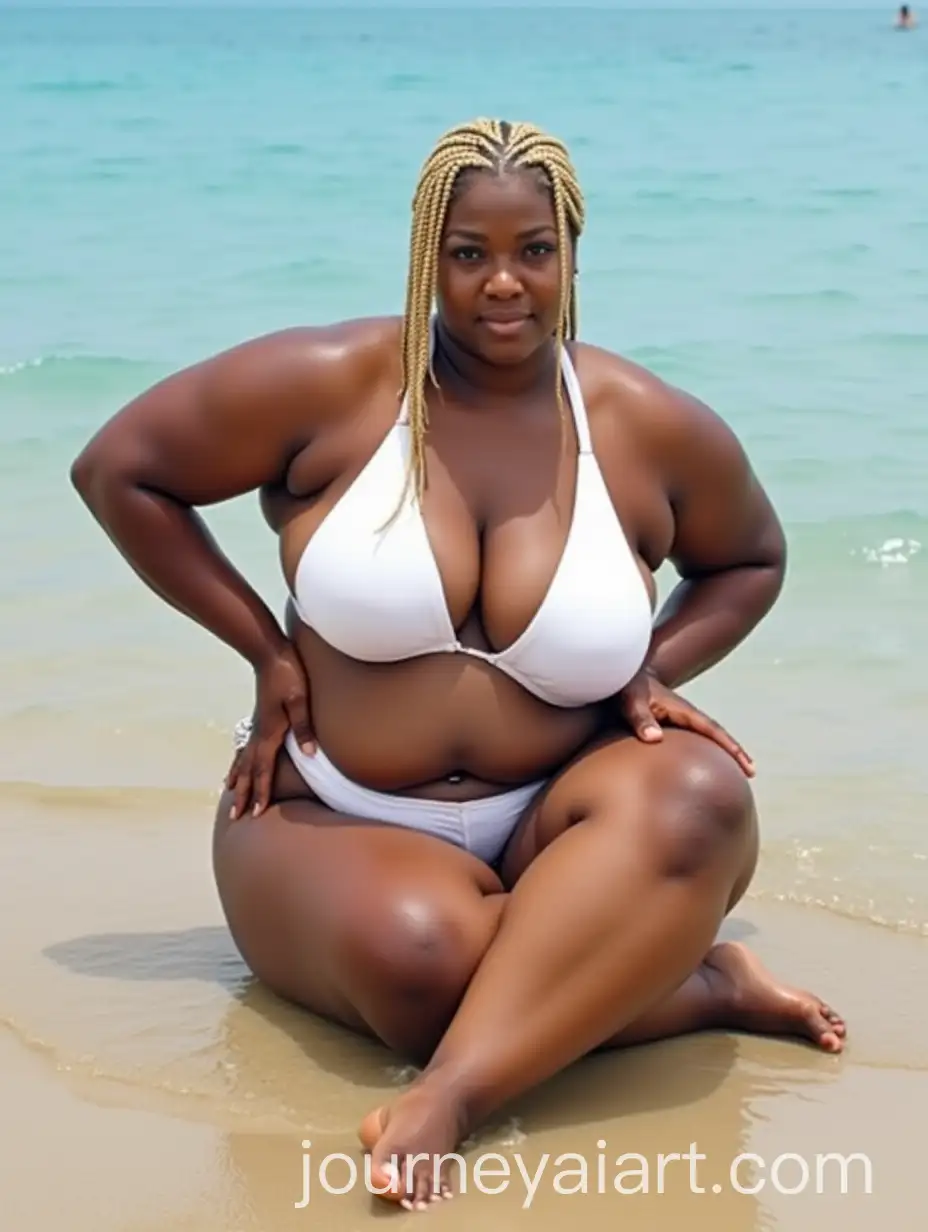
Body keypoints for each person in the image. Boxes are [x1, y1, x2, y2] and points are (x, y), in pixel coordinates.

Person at [70, 117, 845, 1210]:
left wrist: (651, 665)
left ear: (572, 252)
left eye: (534, 250)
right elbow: (120, 471)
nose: (502, 285)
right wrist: (263, 648)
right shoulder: (335, 382)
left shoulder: (641, 424)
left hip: (553, 814)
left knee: (701, 794)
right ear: (424, 252)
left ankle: (451, 1097)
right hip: (333, 810)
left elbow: (751, 559)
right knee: (427, 967)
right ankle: (697, 979)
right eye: (467, 253)